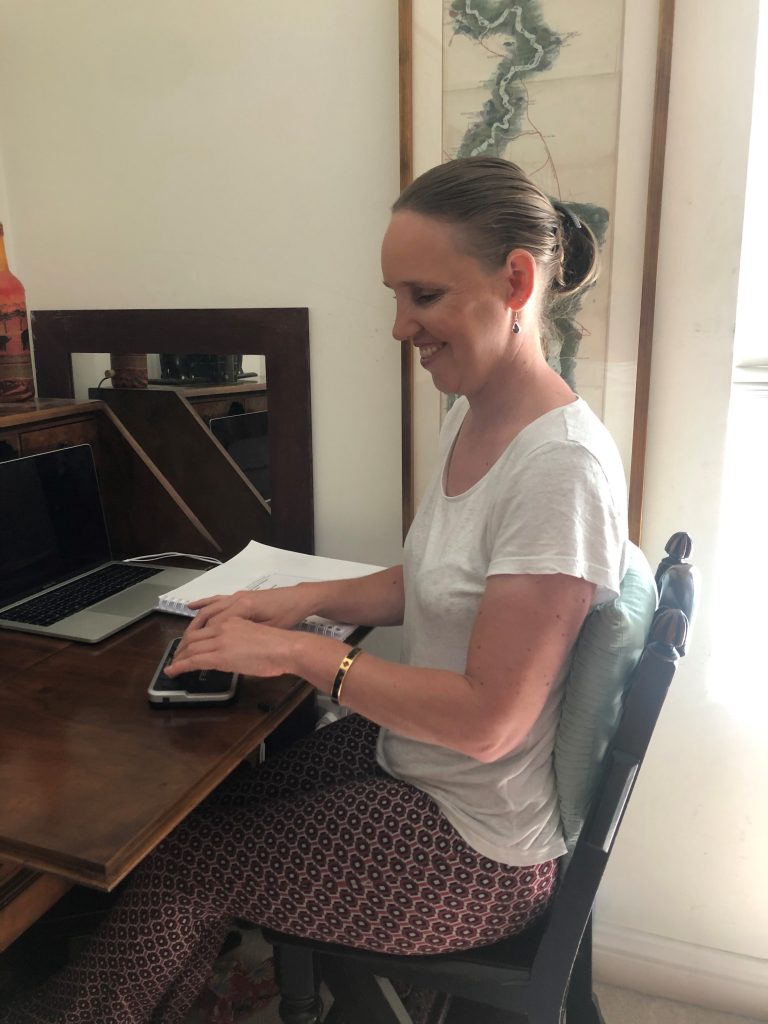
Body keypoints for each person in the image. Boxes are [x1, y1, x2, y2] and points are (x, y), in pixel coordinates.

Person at [2, 156, 627, 1024]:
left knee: (187, 866)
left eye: (424, 296)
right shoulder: (478, 410)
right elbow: (441, 579)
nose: (399, 325)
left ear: (515, 281)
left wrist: (301, 653)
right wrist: (295, 604)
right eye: (395, 296)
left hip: (475, 851)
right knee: (198, 819)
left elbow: (491, 722)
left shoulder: (559, 467)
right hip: (424, 773)